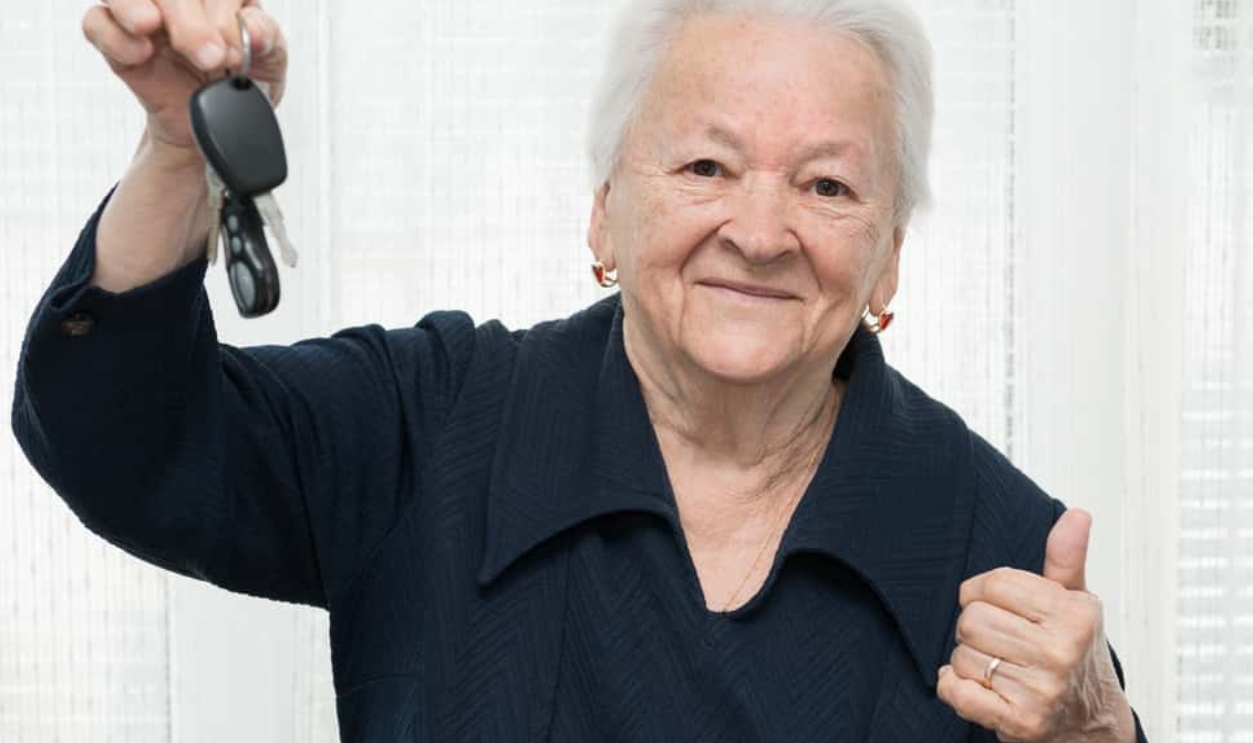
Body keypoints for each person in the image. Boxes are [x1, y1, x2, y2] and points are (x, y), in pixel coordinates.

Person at [14, 0, 1148, 740]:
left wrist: (1100, 734)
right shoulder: (431, 424)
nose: (759, 230)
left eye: (827, 187)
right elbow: (122, 439)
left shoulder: (997, 548)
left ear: (887, 258)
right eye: (705, 163)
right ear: (605, 213)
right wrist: (178, 148)